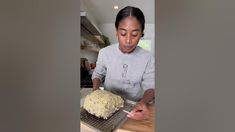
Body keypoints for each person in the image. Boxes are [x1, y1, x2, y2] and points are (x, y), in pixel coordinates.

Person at [92, 6, 155, 120]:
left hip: (134, 107)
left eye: (135, 34)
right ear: (116, 32)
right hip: (108, 106)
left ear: (141, 33)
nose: (128, 40)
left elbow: (151, 87)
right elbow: (98, 74)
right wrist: (95, 93)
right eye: (123, 33)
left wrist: (143, 103)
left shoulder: (148, 58)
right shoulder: (105, 53)